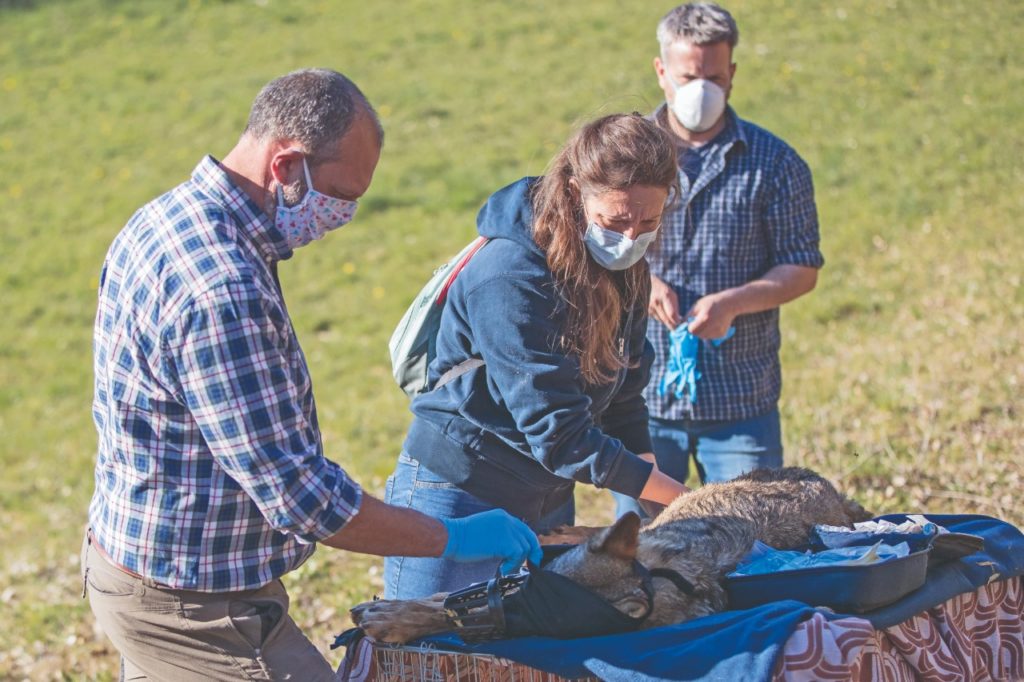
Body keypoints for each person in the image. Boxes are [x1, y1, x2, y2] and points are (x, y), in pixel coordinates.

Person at [83, 68, 542, 681]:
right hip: (192, 607)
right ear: (286, 167)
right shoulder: (224, 290)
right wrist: (451, 538)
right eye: (341, 194)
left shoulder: (166, 219)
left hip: (143, 561)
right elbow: (303, 501)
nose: (345, 214)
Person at [383, 113, 691, 600]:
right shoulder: (510, 277)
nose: (632, 238)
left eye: (648, 222)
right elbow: (561, 435)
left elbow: (624, 395)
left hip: (546, 496)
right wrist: (683, 500)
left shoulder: (629, 268)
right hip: (460, 492)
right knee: (430, 649)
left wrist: (655, 504)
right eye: (615, 221)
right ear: (574, 193)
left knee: (526, 652)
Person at [614, 3, 824, 519]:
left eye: (713, 76)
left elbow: (801, 266)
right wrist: (642, 283)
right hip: (635, 401)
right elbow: (584, 247)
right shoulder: (619, 157)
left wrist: (735, 302)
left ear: (732, 73)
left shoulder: (775, 163)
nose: (700, 89)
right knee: (634, 549)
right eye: (689, 76)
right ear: (662, 72)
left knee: (747, 540)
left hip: (739, 402)